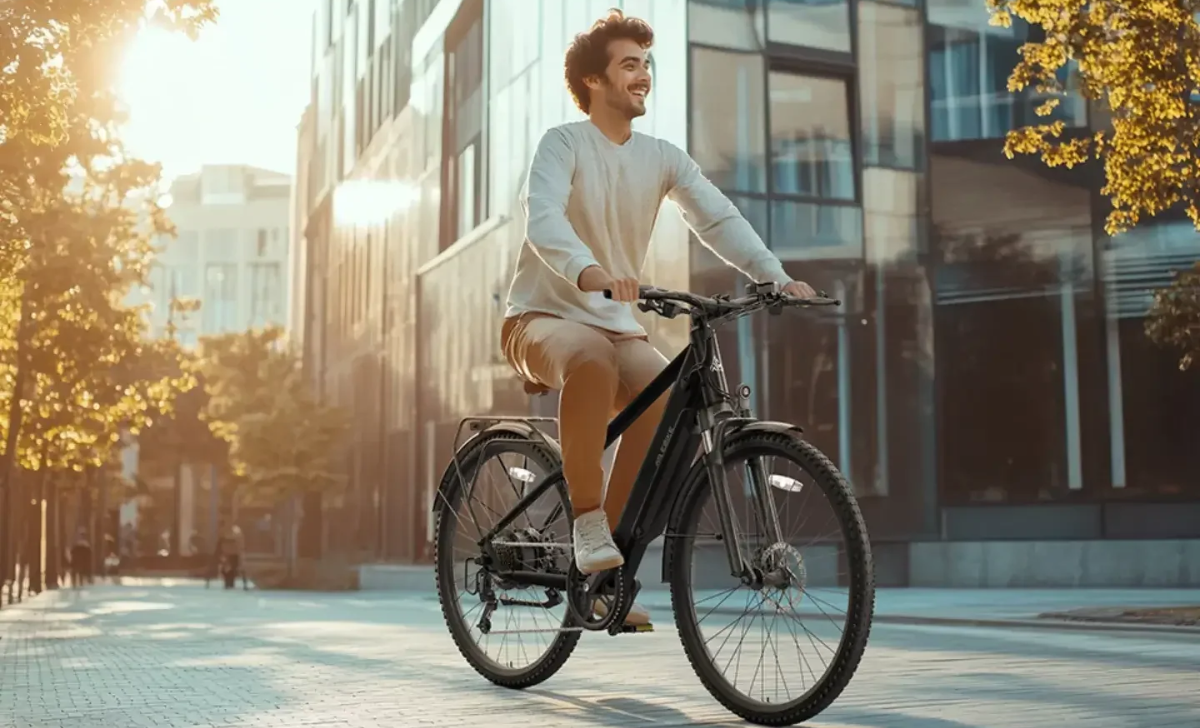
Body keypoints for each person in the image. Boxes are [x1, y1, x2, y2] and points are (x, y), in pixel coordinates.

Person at [500, 9, 816, 626]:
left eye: (646, 64)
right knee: (589, 361)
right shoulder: (563, 143)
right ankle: (587, 523)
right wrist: (588, 272)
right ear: (594, 81)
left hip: (617, 323)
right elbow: (542, 218)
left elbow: (717, 218)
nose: (643, 75)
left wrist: (774, 277)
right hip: (540, 316)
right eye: (628, 64)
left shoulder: (662, 156)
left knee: (664, 402)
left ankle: (606, 578)